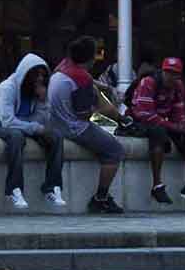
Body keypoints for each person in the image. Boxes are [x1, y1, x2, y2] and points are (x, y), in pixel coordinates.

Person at [45, 35, 128, 214]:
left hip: (54, 123)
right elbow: (83, 115)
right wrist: (95, 104)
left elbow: (87, 81)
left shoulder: (63, 66)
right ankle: (101, 198)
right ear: (91, 59)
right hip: (72, 127)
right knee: (115, 151)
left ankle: (121, 119)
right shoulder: (83, 79)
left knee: (97, 94)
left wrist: (102, 88)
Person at [0, 52, 65, 209]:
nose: (39, 79)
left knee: (56, 136)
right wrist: (35, 128)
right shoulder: (7, 88)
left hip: (23, 128)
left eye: (42, 75)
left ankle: (52, 187)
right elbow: (8, 121)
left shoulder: (34, 91)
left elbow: (40, 121)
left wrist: (43, 100)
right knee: (16, 136)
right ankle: (14, 189)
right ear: (25, 74)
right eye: (36, 75)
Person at [129, 56, 185, 208]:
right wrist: (174, 126)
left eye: (175, 73)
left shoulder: (178, 86)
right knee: (158, 134)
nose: (172, 77)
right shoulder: (149, 82)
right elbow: (145, 115)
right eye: (169, 72)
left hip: (162, 120)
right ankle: (157, 185)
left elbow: (178, 112)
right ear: (163, 71)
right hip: (141, 120)